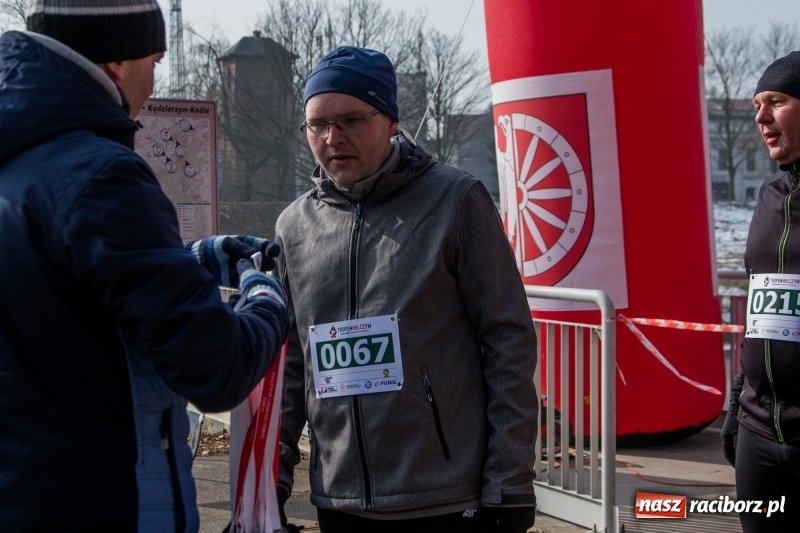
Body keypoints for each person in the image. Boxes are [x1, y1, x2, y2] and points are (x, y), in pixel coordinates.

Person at [0, 1, 288, 532]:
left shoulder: (21, 160)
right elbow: (217, 367)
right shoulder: (102, 176)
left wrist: (189, 262)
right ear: (116, 61)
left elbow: (70, 297)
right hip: (105, 499)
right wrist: (266, 296)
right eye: (154, 61)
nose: (154, 82)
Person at [274, 46, 539, 533]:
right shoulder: (294, 227)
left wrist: (509, 482)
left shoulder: (455, 201)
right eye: (318, 124)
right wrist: (270, 483)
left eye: (352, 119)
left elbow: (508, 340)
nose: (333, 138)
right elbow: (292, 365)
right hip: (340, 499)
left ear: (391, 121)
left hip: (444, 497)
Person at [721, 50, 800, 532]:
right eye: (756, 105)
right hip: (757, 434)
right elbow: (759, 313)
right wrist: (736, 402)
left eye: (776, 101)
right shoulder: (769, 199)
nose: (761, 116)